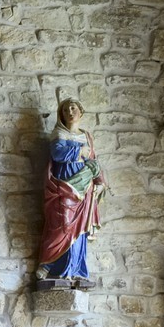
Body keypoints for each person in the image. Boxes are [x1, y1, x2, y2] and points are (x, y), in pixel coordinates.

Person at [37, 98, 108, 288]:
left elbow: (94, 161)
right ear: (61, 114)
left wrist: (100, 181)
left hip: (84, 188)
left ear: (81, 112)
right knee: (62, 224)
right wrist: (79, 151)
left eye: (74, 108)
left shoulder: (87, 136)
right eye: (66, 109)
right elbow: (58, 154)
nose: (70, 111)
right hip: (63, 186)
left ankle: (75, 270)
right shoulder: (59, 133)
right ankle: (51, 265)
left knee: (80, 230)